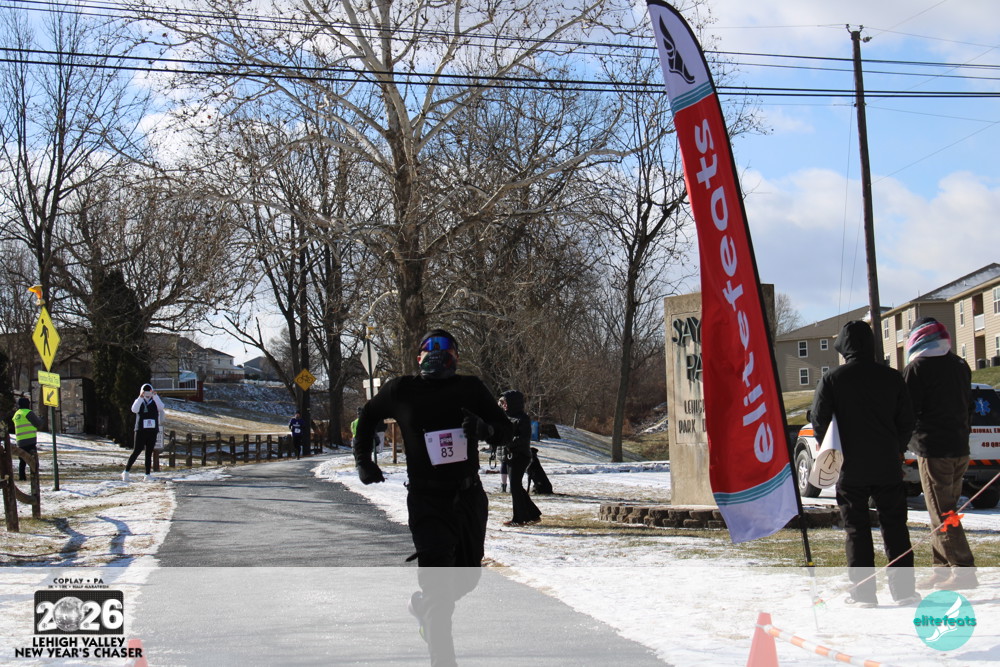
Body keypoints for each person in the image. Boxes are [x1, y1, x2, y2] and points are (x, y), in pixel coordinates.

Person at [353, 329, 511, 667]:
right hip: (427, 501)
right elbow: (367, 416)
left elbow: (505, 429)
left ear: (456, 356)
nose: (437, 353)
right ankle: (440, 647)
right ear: (419, 356)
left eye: (445, 348)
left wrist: (485, 429)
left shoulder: (470, 388)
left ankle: (426, 609)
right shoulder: (401, 389)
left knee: (467, 578)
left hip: (468, 497)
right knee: (440, 590)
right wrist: (363, 460)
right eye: (430, 347)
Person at [810, 320, 920, 607]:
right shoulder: (892, 378)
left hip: (850, 467)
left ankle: (863, 594)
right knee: (895, 526)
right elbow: (907, 420)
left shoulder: (832, 379)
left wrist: (833, 450)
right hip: (886, 464)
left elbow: (819, 420)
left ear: (843, 347)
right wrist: (896, 448)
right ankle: (904, 592)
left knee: (856, 529)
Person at [902, 317, 977, 590]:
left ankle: (963, 570)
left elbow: (906, 411)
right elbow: (968, 405)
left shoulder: (917, 367)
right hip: (959, 447)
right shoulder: (960, 364)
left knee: (942, 511)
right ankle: (942, 568)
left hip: (933, 450)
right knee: (944, 509)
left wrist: (900, 442)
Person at [498, 390, 541, 527]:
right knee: (516, 487)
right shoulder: (507, 416)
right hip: (510, 456)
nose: (504, 405)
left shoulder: (523, 418)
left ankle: (520, 518)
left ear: (513, 403)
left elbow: (523, 438)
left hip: (520, 456)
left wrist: (507, 442)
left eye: (506, 402)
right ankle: (532, 514)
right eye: (503, 403)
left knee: (515, 487)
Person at [124, 384, 165, 482]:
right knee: (137, 451)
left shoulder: (154, 401)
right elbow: (134, 409)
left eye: (149, 391)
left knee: (149, 452)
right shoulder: (140, 401)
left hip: (152, 430)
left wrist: (155, 395)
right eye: (145, 391)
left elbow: (161, 407)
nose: (147, 394)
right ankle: (126, 472)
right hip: (141, 430)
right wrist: (140, 397)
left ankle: (147, 474)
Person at [12, 396, 42, 481]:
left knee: (22, 460)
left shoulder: (17, 414)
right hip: (30, 440)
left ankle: (22, 477)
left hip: (20, 441)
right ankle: (34, 477)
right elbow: (38, 424)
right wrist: (41, 419)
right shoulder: (28, 412)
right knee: (33, 461)